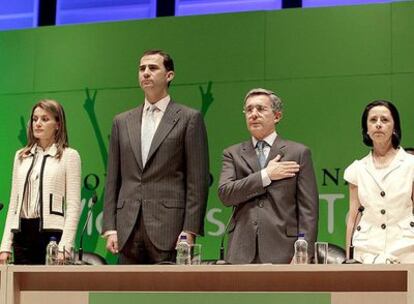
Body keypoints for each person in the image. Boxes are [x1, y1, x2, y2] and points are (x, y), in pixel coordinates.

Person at [102, 49, 209, 264]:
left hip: (170, 228)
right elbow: (113, 178)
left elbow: (197, 181)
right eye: (142, 69)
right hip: (127, 228)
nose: (146, 73)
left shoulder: (189, 118)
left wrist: (190, 229)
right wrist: (110, 227)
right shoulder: (122, 121)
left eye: (153, 68)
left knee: (167, 295)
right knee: (126, 297)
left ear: (169, 75)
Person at [218, 88, 318, 264]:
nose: (253, 114)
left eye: (260, 109)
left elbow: (308, 210)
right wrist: (266, 175)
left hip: (284, 249)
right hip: (241, 251)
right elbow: (226, 194)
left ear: (277, 116)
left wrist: (305, 251)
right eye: (249, 110)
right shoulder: (232, 154)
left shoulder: (298, 153)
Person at [0, 99, 81, 264]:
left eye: (45, 119)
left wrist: (65, 245)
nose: (38, 123)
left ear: (58, 124)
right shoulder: (21, 156)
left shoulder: (69, 156)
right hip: (22, 235)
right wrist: (5, 246)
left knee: (49, 288)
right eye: (35, 119)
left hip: (52, 236)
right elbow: (14, 205)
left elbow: (73, 206)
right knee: (19, 288)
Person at [345, 100, 414, 264]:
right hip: (366, 249)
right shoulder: (357, 169)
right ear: (366, 129)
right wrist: (348, 257)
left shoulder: (411, 164)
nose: (378, 124)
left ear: (394, 127)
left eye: (384, 120)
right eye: (373, 120)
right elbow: (353, 216)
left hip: (406, 247)